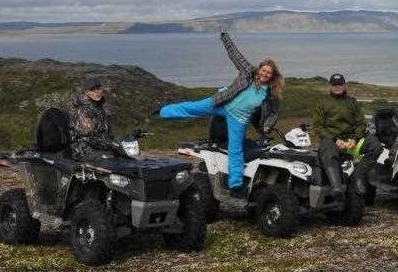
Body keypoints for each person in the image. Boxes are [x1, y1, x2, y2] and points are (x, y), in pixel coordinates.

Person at [159, 31, 283, 197]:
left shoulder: (270, 94)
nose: (265, 74)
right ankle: (163, 112)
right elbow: (235, 55)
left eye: (268, 73)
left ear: (272, 76)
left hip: (239, 119)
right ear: (259, 69)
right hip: (222, 104)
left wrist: (267, 125)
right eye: (263, 70)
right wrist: (225, 37)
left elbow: (274, 112)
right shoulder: (248, 73)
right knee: (193, 108)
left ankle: (235, 185)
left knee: (235, 150)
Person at [312, 73, 384, 199]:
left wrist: (354, 139)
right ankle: (337, 188)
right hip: (333, 141)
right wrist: (335, 139)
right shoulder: (322, 103)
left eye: (340, 84)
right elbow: (318, 127)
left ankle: (358, 176)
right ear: (330, 86)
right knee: (327, 152)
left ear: (344, 85)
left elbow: (361, 124)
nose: (337, 87)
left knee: (376, 146)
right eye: (334, 84)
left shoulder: (352, 102)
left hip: (352, 140)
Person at [69, 75, 114, 159]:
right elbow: (86, 135)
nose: (97, 92)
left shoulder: (100, 109)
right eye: (92, 89)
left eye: (98, 88)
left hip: (100, 148)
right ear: (86, 92)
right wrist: (109, 143)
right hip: (84, 151)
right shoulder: (83, 111)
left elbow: (106, 132)